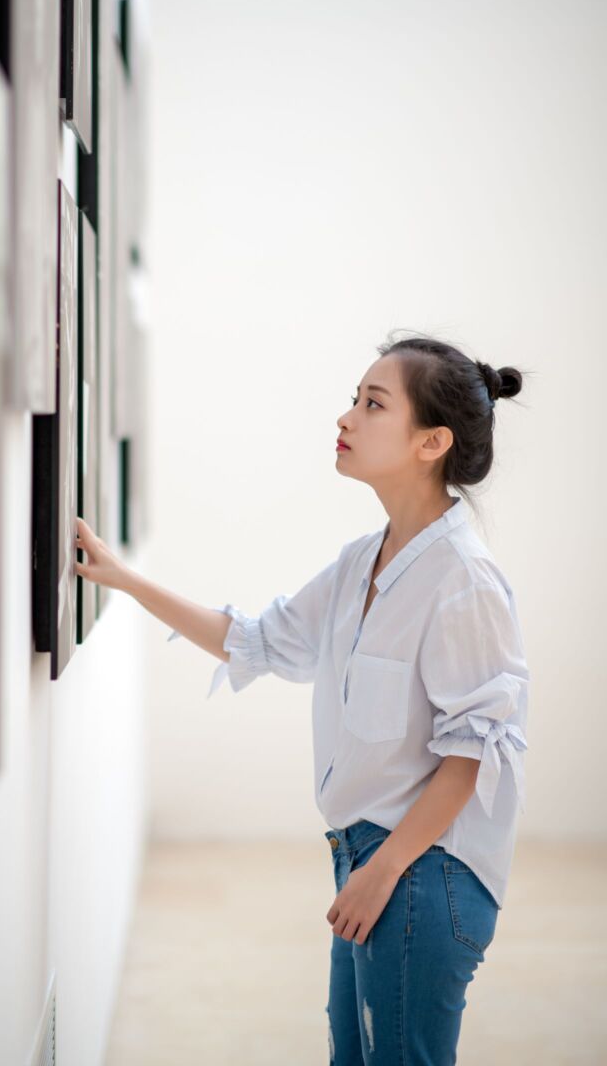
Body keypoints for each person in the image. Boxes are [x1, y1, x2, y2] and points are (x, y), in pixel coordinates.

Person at [74, 332, 530, 1065]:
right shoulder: (360, 563)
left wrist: (383, 872)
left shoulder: (463, 579)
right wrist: (122, 579)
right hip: (370, 862)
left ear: (432, 441)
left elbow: (472, 754)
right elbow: (254, 641)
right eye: (355, 399)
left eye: (373, 404)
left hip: (422, 870)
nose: (345, 418)